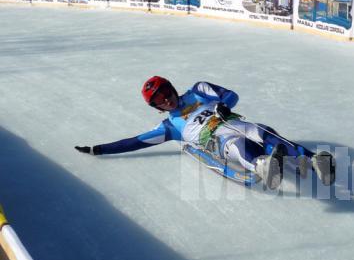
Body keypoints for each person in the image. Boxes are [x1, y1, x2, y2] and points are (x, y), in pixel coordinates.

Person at [75, 76, 335, 189]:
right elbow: (132, 142)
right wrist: (99, 149)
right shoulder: (168, 128)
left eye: (165, 93)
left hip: (231, 120)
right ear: (155, 108)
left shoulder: (199, 89)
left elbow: (231, 95)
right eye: (159, 101)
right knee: (235, 144)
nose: (166, 100)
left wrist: (224, 106)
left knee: (260, 130)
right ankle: (262, 165)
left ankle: (313, 160)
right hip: (217, 140)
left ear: (171, 87)